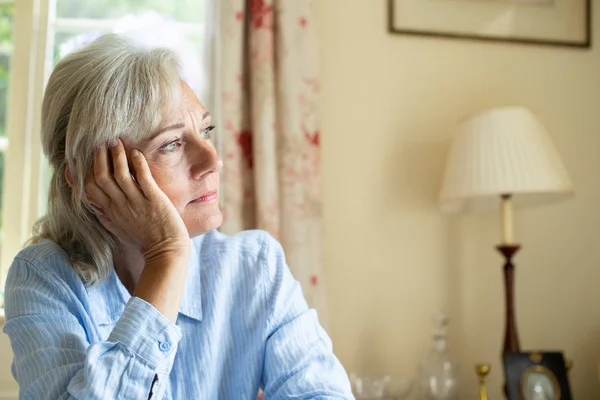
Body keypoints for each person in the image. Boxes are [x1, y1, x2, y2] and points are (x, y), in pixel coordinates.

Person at [2, 34, 354, 399]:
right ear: (93, 177)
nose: (212, 160)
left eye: (206, 131)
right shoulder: (43, 278)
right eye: (171, 144)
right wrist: (166, 255)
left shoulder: (255, 267)